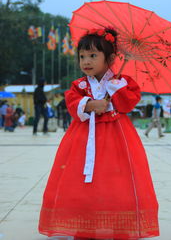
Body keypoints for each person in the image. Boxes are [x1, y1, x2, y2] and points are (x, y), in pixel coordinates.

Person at [38, 28, 159, 239]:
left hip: (117, 138)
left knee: (117, 181)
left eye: (93, 56)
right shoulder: (80, 85)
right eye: (82, 56)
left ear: (110, 58)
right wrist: (89, 104)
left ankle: (119, 224)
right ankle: (84, 223)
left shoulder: (122, 82)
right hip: (84, 138)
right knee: (81, 180)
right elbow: (71, 102)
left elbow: (129, 102)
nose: (86, 61)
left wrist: (115, 89)